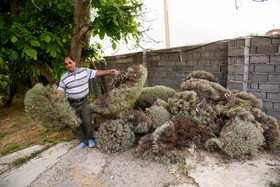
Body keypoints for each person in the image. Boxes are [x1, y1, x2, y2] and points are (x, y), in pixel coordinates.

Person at [57, 56, 117, 149]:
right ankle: (83, 141)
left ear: (74, 62)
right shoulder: (64, 77)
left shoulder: (84, 71)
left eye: (70, 63)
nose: (68, 65)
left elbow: (97, 73)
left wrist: (109, 71)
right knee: (76, 123)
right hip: (72, 103)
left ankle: (90, 139)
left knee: (87, 121)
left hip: (84, 101)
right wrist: (56, 97)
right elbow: (60, 89)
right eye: (66, 64)